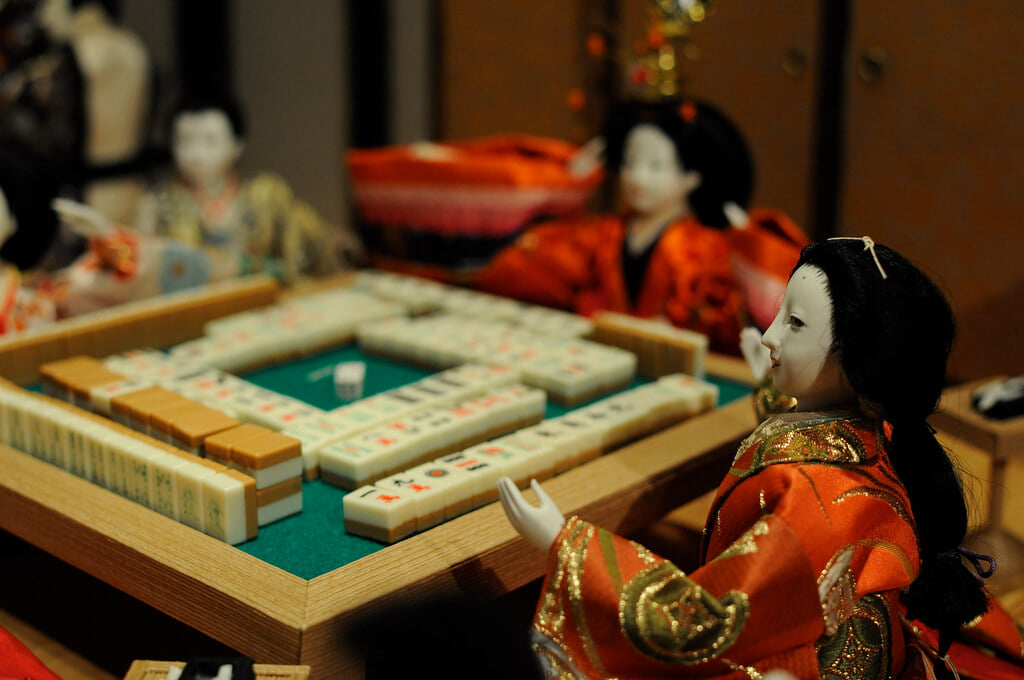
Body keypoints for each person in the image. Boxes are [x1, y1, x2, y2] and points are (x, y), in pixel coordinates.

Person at [498, 237, 1024, 679]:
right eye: (780, 314)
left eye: (795, 324)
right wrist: (772, 387)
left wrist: (568, 545)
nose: (770, 336)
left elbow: (713, 621)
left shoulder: (816, 501)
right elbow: (796, 427)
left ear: (856, 363)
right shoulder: (867, 434)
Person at [474, 98, 803, 354]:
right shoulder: (605, 232)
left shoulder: (702, 246)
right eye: (630, 163)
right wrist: (564, 187)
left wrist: (673, 329)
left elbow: (711, 320)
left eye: (655, 166)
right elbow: (548, 266)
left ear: (691, 177)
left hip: (669, 363)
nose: (637, 177)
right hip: (602, 353)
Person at [135, 91, 362, 282]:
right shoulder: (161, 204)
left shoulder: (265, 196)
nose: (196, 154)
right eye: (185, 141)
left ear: (237, 145)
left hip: (260, 298)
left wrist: (335, 245)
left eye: (209, 141)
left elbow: (307, 243)